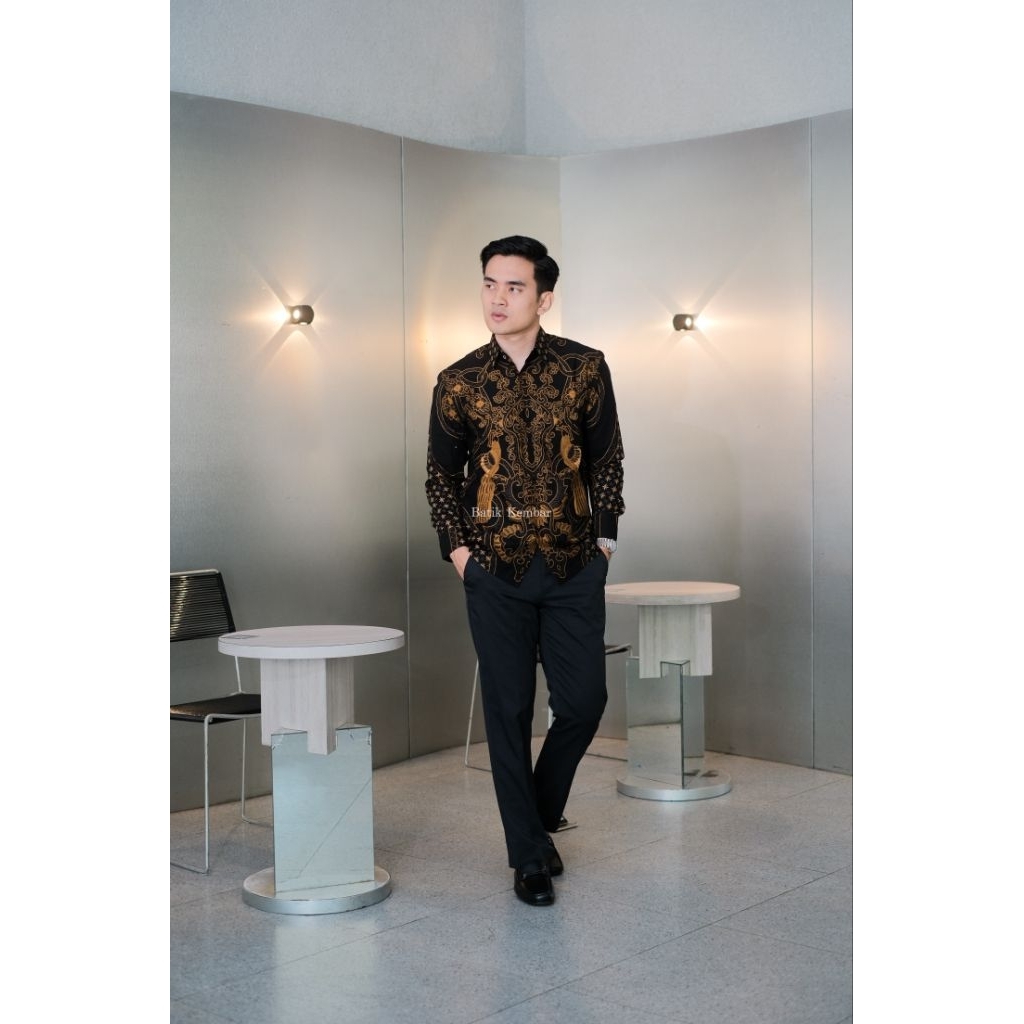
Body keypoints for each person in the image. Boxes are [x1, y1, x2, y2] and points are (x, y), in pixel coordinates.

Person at [425, 235, 625, 906]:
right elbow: (440, 477)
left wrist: (603, 544)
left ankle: (536, 818)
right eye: (489, 284)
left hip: (573, 566)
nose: (498, 298)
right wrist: (459, 554)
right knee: (507, 712)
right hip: (494, 571)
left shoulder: (585, 367)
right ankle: (529, 857)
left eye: (513, 287)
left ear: (543, 298)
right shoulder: (458, 381)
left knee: (584, 702)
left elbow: (607, 460)